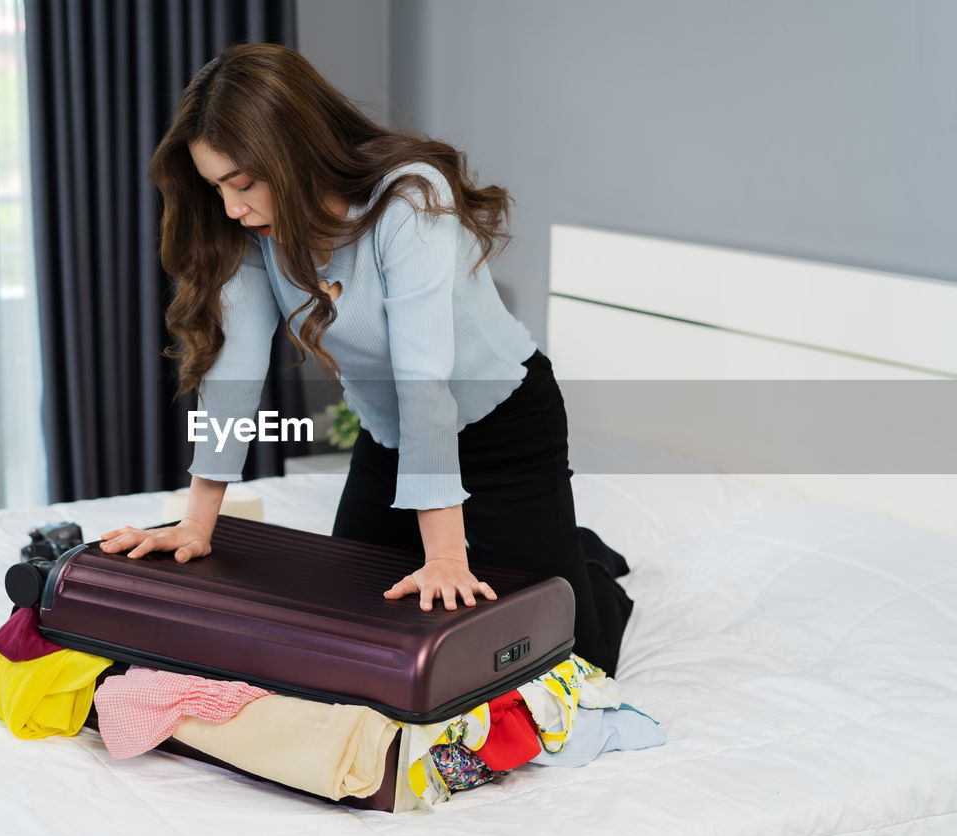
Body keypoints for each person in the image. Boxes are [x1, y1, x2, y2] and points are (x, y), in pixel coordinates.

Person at [99, 43, 632, 672]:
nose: (231, 208)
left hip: (505, 428)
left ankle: (589, 568)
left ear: (294, 153)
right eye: (217, 188)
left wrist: (443, 557)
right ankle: (537, 546)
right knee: (353, 625)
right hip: (392, 438)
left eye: (242, 184)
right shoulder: (252, 231)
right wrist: (196, 524)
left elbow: (423, 377)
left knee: (575, 665)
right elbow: (235, 370)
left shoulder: (407, 200)